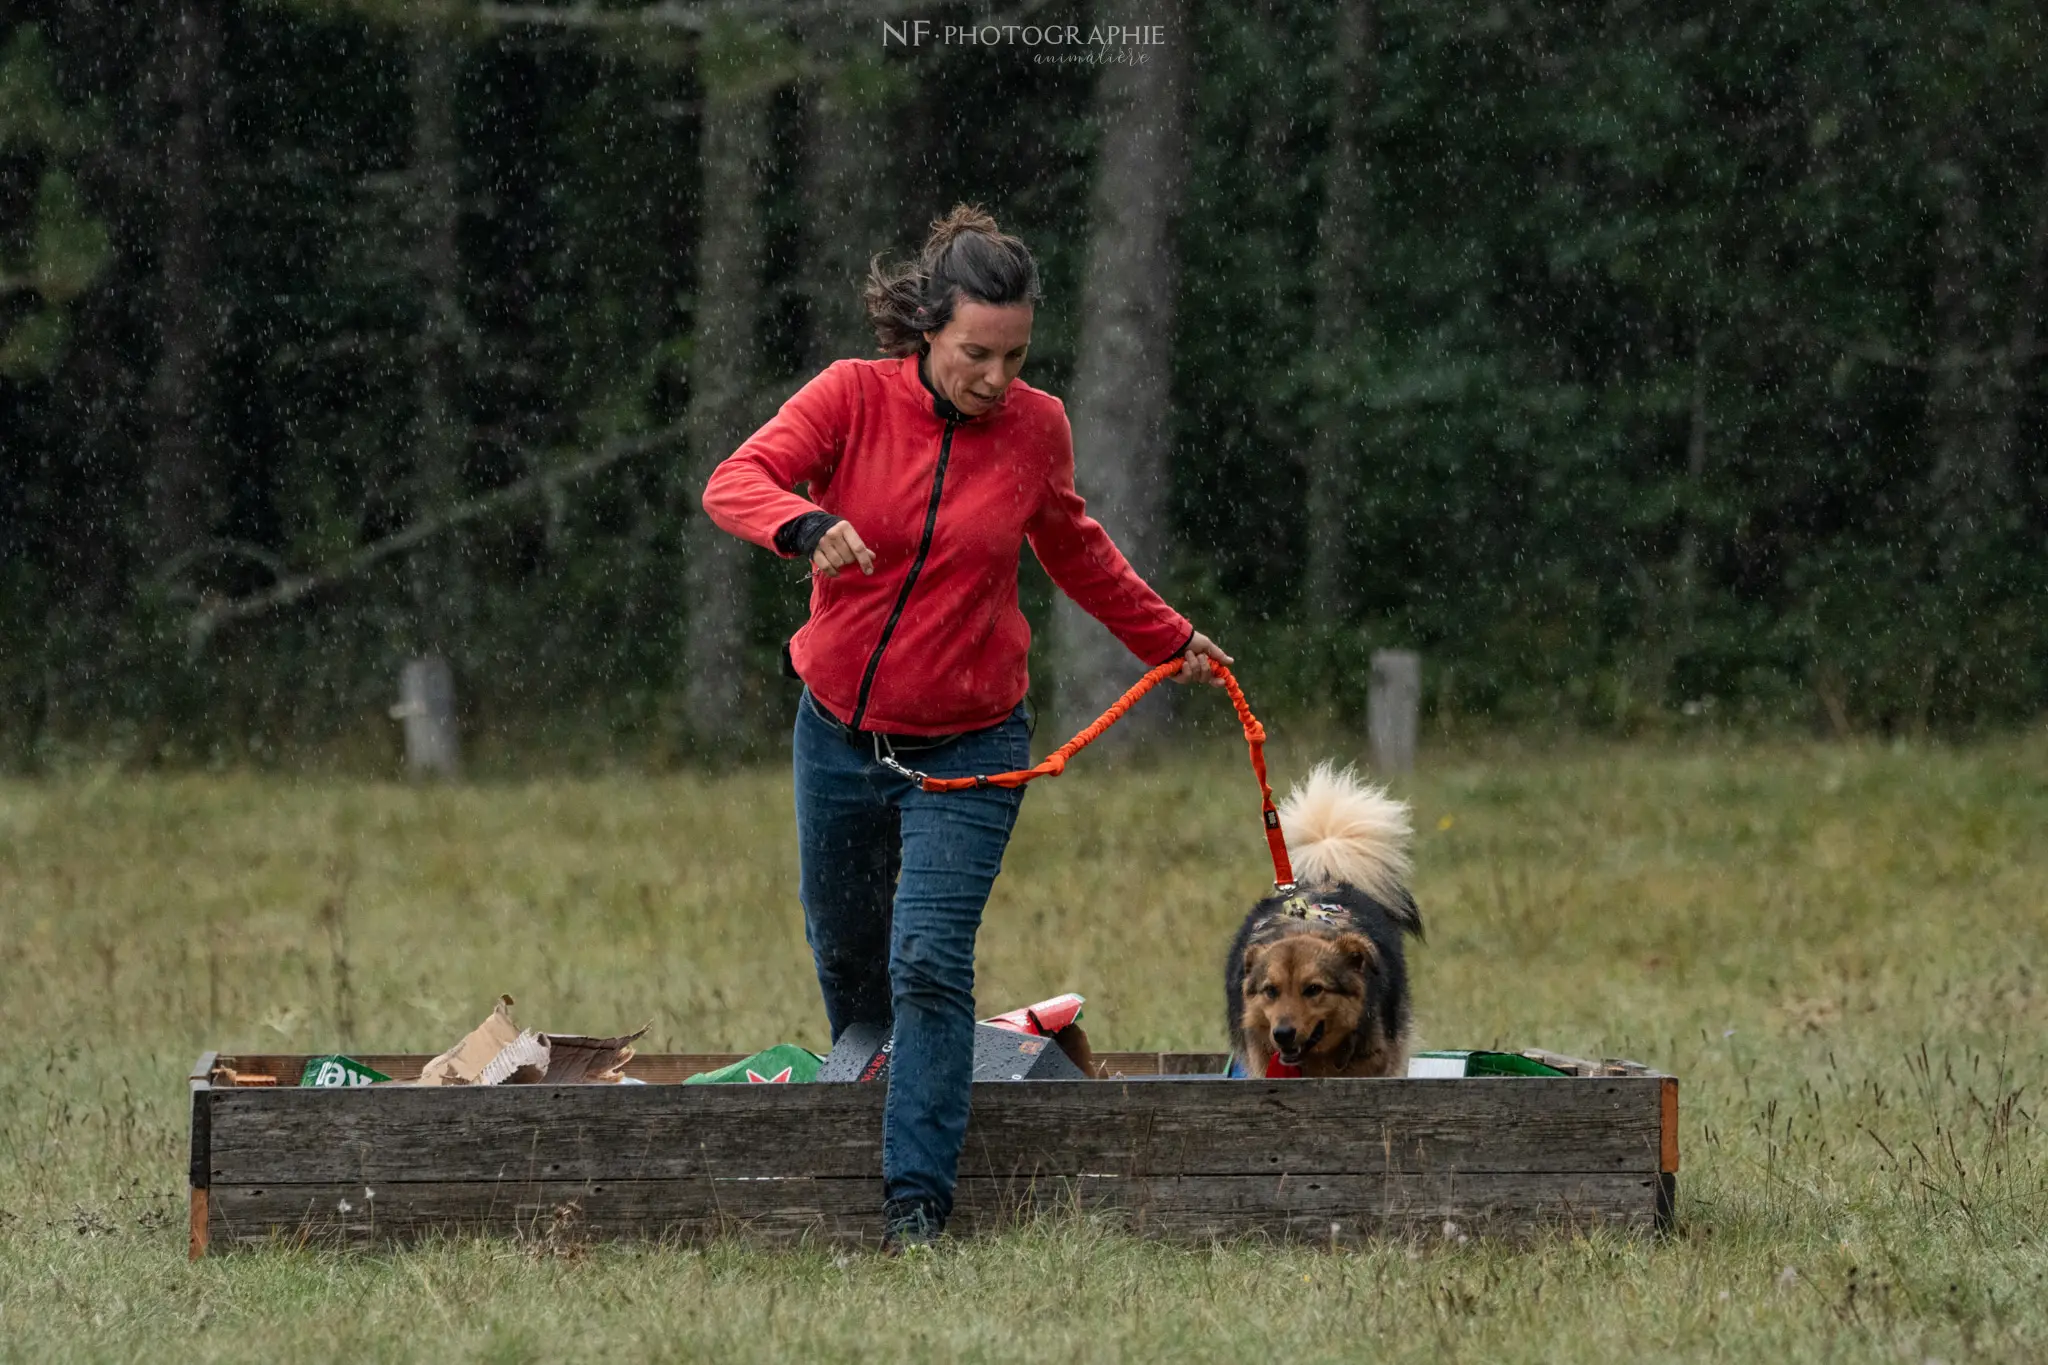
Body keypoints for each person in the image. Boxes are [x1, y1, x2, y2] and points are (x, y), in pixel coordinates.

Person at [701, 203, 1231, 1250]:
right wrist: (803, 525)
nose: (995, 378)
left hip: (973, 745)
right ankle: (866, 1121)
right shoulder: (850, 398)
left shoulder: (1037, 427)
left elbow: (1075, 547)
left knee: (930, 962)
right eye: (975, 354)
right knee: (848, 957)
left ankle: (916, 1207)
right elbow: (735, 482)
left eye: (1014, 355)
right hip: (840, 735)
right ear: (926, 331)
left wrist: (1167, 639)